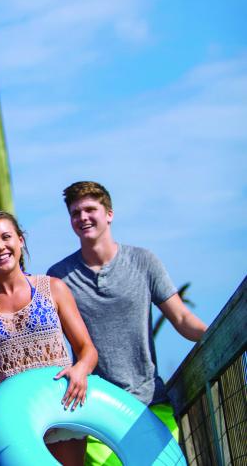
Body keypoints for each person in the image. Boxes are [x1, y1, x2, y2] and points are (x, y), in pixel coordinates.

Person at [47, 181, 208, 465]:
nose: (82, 217)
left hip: (150, 402)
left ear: (109, 214)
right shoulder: (59, 277)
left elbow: (182, 318)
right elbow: (48, 343)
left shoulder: (144, 261)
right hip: (96, 409)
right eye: (75, 213)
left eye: (90, 209)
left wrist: (216, 334)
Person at [0, 210, 98, 466]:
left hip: (59, 408)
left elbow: (87, 349)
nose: (0, 246)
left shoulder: (53, 288)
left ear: (20, 240)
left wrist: (81, 369)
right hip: (9, 420)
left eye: (6, 237)